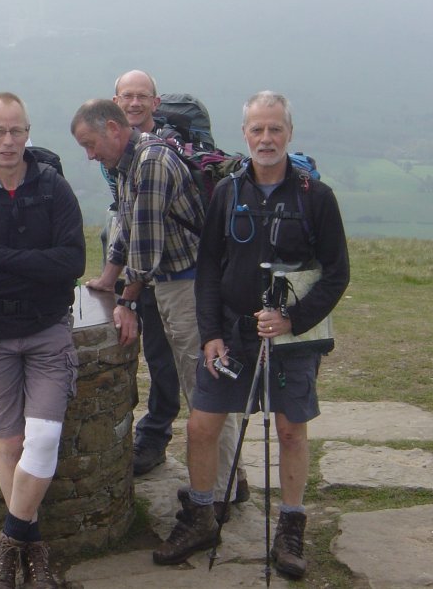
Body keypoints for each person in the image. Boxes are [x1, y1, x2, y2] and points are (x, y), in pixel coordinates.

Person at [152, 91, 349, 578]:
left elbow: (336, 273)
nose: (266, 138)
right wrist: (210, 335)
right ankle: (201, 514)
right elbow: (209, 269)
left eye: (275, 129)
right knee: (201, 424)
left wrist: (292, 319)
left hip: (291, 340)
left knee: (289, 430)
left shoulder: (315, 197)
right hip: (232, 336)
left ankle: (291, 525)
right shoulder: (228, 192)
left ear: (289, 133)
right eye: (257, 130)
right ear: (244, 135)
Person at [74, 85, 248, 509]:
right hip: (174, 285)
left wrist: (127, 300)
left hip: (188, 288)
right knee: (199, 386)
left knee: (205, 389)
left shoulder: (151, 163)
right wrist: (106, 279)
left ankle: (222, 489)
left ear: (113, 129)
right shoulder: (132, 160)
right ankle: (229, 479)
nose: (90, 156)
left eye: (90, 145)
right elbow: (128, 230)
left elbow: (146, 251)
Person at [0, 93, 85, 589]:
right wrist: (34, 267)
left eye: (16, 131)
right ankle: (33, 552)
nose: (8, 141)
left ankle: (8, 544)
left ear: (28, 133)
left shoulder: (54, 189)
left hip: (48, 331)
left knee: (42, 437)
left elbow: (72, 265)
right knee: (10, 442)